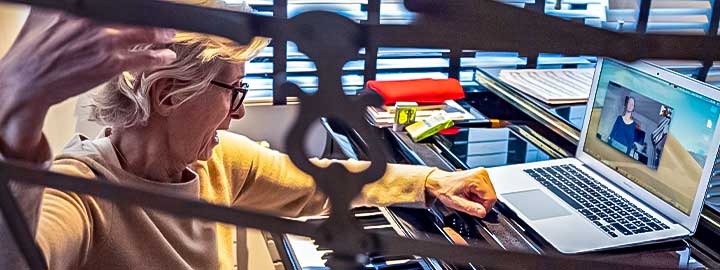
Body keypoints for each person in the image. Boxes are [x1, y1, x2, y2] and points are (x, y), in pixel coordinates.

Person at [0, 2, 497, 270]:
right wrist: (15, 116)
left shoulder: (216, 162)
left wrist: (432, 180)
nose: (237, 115)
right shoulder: (79, 192)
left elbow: (321, 180)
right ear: (169, 95)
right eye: (234, 91)